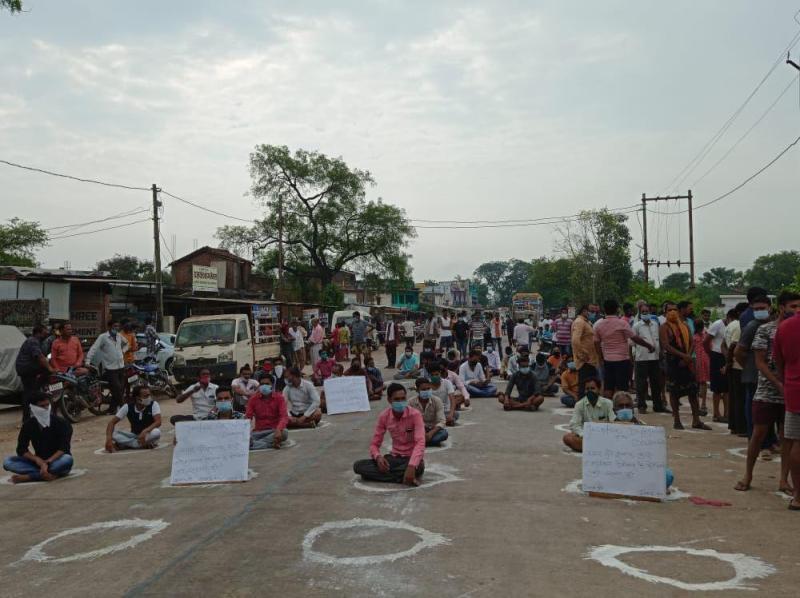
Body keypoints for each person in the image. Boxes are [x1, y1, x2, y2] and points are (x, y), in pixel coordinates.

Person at [735, 291, 800, 495]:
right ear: (781, 307)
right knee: (758, 434)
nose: (796, 311)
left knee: (786, 438)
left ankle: (783, 479)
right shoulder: (765, 330)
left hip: (790, 392)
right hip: (767, 391)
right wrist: (778, 382)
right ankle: (748, 474)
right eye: (793, 306)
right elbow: (760, 362)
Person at [352, 383, 425, 485]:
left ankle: (403, 474)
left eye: (403, 399)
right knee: (358, 466)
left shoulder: (415, 415)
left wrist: (412, 466)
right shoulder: (384, 416)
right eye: (397, 399)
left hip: (411, 459)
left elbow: (420, 442)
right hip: (394, 458)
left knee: (418, 467)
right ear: (389, 400)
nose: (401, 402)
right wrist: (378, 458)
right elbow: (374, 444)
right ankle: (402, 478)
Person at [3, 391, 73, 483]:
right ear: (33, 408)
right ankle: (47, 474)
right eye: (42, 406)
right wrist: (37, 460)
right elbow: (21, 449)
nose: (46, 408)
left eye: (47, 405)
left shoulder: (62, 423)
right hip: (38, 463)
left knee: (67, 459)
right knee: (8, 462)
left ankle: (31, 476)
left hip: (56, 460)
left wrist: (47, 462)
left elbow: (64, 448)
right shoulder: (28, 425)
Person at [660, 302, 710, 431]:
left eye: (674, 310)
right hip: (673, 362)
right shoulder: (664, 327)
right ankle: (677, 420)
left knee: (693, 391)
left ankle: (696, 420)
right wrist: (683, 356)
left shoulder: (685, 325)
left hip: (686, 362)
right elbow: (666, 345)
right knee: (674, 392)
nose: (672, 312)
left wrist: (687, 357)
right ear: (665, 312)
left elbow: (692, 342)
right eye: (669, 310)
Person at [594, 299, 654, 398]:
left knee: (608, 387)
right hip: (622, 360)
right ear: (617, 309)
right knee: (622, 388)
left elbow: (596, 342)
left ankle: (608, 410)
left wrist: (600, 358)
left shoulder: (598, 325)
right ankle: (622, 410)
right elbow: (635, 338)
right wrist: (648, 346)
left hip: (607, 360)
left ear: (604, 310)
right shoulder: (622, 323)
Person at [774, 294, 800, 511]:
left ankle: (798, 496)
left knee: (795, 443)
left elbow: (779, 362)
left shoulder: (784, 327)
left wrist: (787, 380)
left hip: (794, 389)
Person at [735, 295, 773, 441]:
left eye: (762, 308)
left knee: (767, 411)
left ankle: (769, 440)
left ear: (769, 307)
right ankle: (756, 440)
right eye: (756, 309)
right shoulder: (752, 326)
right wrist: (748, 367)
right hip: (753, 376)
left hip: (766, 375)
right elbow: (739, 351)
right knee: (755, 411)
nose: (759, 311)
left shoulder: (771, 324)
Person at [15, 324, 57, 420]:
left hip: (25, 368)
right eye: (44, 332)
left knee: (29, 393)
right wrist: (50, 368)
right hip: (27, 368)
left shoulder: (37, 341)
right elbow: (40, 357)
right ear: (38, 333)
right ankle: (45, 391)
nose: (46, 334)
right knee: (30, 393)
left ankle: (27, 417)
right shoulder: (33, 341)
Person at [562, 378, 615, 452]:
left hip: (604, 437)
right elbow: (574, 424)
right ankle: (598, 449)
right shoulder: (579, 404)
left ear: (599, 390)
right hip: (586, 437)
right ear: (584, 391)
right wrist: (584, 435)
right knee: (567, 438)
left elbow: (614, 422)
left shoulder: (608, 403)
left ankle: (591, 449)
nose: (590, 391)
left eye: (592, 388)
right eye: (587, 389)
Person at [85, 320, 128, 413]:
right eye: (114, 326)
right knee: (116, 388)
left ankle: (112, 409)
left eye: (118, 326)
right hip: (110, 368)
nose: (116, 328)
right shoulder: (103, 337)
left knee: (120, 389)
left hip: (121, 366)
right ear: (109, 327)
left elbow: (127, 344)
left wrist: (123, 351)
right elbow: (94, 348)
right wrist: (88, 360)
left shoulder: (119, 336)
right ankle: (124, 408)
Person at [104, 386, 161, 451]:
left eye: (149, 395)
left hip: (148, 435)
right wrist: (108, 440)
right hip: (134, 435)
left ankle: (126, 444)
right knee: (113, 433)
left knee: (156, 432)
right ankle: (140, 445)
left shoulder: (154, 404)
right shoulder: (128, 407)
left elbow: (158, 422)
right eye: (146, 396)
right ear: (138, 398)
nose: (149, 398)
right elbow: (111, 422)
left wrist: (145, 431)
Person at [632, 303, 666, 413]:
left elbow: (659, 339)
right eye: (643, 312)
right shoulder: (636, 326)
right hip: (641, 358)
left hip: (655, 358)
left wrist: (661, 351)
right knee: (641, 383)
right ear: (640, 313)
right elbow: (632, 343)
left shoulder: (655, 324)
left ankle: (658, 405)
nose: (645, 313)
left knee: (656, 383)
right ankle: (642, 405)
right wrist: (631, 357)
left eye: (647, 311)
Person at [246, 374, 289, 449]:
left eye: (267, 384)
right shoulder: (253, 399)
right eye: (262, 384)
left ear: (272, 385)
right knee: (246, 437)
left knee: (284, 433)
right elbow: (248, 417)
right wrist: (245, 433)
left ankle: (254, 445)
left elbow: (284, 417)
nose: (264, 386)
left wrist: (278, 429)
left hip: (274, 430)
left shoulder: (279, 398)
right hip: (258, 432)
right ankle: (270, 444)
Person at [725, 304, 749, 436]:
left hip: (734, 365)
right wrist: (729, 362)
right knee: (741, 399)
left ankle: (734, 425)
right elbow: (733, 346)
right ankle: (741, 427)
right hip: (739, 366)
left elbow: (724, 344)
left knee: (735, 398)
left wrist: (728, 362)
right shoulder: (739, 326)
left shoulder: (730, 325)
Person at [705, 311, 730, 423]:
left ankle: (727, 414)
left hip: (726, 356)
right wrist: (710, 354)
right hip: (717, 355)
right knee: (717, 388)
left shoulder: (732, 325)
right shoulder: (717, 324)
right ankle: (716, 414)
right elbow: (706, 341)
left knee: (726, 388)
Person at [409, 378, 448, 446]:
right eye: (423, 389)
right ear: (417, 390)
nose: (427, 391)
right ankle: (427, 442)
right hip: (418, 430)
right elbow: (409, 422)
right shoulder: (411, 402)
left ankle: (421, 442)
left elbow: (442, 421)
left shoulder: (437, 401)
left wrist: (431, 433)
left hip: (433, 429)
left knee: (444, 434)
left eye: (428, 388)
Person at [571, 305, 600, 398]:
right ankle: (582, 408)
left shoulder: (586, 322)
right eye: (591, 311)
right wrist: (582, 354)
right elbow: (575, 340)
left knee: (591, 385)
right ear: (584, 311)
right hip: (585, 361)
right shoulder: (579, 322)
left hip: (590, 360)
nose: (593, 313)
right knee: (584, 386)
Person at [694, 319, 712, 418]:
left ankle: (700, 404)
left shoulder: (695, 336)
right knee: (702, 383)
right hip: (703, 360)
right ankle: (702, 404)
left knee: (698, 383)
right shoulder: (705, 335)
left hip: (698, 360)